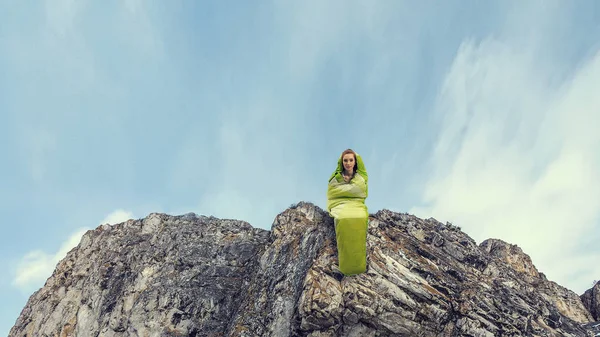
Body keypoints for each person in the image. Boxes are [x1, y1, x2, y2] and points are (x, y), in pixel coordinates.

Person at [326, 148, 369, 275]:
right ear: (341, 162)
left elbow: (360, 190)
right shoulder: (336, 178)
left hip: (356, 203)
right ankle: (346, 266)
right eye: (345, 160)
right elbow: (332, 192)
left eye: (351, 160)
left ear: (355, 162)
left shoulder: (360, 176)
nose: (348, 163)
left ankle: (358, 265)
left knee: (360, 218)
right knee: (341, 219)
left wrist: (355, 153)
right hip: (340, 203)